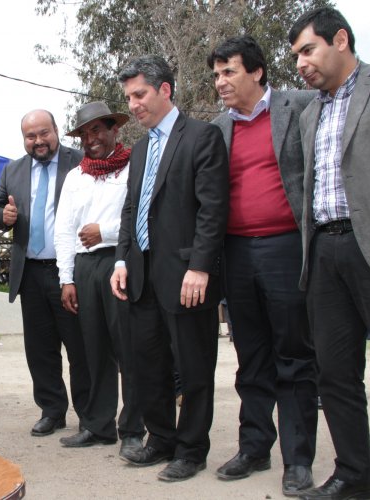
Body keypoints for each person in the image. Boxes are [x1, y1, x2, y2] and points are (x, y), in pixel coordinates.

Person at [288, 7, 370, 500]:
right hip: (325, 252)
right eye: (296, 55)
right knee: (336, 376)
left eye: (308, 50)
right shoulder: (308, 113)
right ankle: (352, 478)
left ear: (340, 39)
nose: (300, 63)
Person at [207, 36, 318, 496]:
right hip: (236, 252)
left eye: (229, 71)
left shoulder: (301, 108)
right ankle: (254, 446)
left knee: (292, 354)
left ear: (256, 71)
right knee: (250, 355)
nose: (220, 82)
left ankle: (298, 459)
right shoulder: (217, 129)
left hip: (286, 247)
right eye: (215, 75)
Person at [109, 55, 228, 482]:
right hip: (141, 277)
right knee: (148, 363)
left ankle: (192, 449)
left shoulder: (202, 137)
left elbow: (213, 210)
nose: (134, 104)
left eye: (139, 94)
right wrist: (122, 259)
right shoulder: (140, 150)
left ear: (165, 89)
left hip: (186, 278)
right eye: (129, 97)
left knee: (193, 366)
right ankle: (160, 439)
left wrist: (200, 266)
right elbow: (131, 210)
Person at [0, 109, 91, 438]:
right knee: (40, 349)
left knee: (80, 346)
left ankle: (89, 414)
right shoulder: (12, 170)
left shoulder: (80, 162)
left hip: (70, 272)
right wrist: (2, 216)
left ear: (56, 131)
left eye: (44, 133)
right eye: (30, 136)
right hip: (30, 273)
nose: (38, 141)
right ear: (24, 139)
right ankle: (52, 411)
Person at [53, 101, 144, 456]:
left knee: (129, 349)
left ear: (114, 130)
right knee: (95, 350)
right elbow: (64, 231)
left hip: (122, 262)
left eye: (98, 130)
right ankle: (99, 426)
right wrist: (66, 279)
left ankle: (134, 428)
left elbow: (143, 217)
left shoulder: (134, 166)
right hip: (86, 268)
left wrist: (104, 231)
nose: (91, 139)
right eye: (85, 133)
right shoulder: (76, 177)